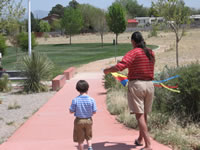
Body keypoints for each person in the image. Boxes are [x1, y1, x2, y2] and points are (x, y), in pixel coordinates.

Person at [103, 31, 155, 150]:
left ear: (133, 41)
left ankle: (148, 145)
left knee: (139, 115)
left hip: (137, 85)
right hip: (150, 85)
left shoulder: (134, 52)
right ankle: (140, 139)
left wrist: (107, 70)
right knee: (144, 114)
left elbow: (120, 66)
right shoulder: (150, 52)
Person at [69, 80, 97, 150]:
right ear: (87, 88)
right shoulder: (91, 100)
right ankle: (90, 147)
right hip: (88, 120)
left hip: (79, 120)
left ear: (77, 89)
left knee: (80, 139)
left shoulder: (75, 100)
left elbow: (71, 111)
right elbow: (94, 111)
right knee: (89, 136)